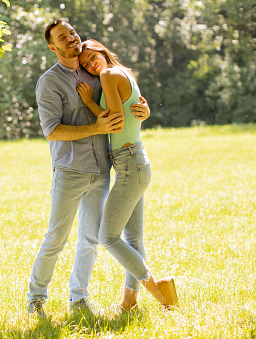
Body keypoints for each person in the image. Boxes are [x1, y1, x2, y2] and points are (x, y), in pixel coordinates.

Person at [27, 19, 151, 317]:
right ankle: (36, 298)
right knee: (56, 237)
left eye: (72, 33)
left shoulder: (94, 71)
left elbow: (122, 105)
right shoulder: (49, 82)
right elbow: (52, 131)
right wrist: (95, 127)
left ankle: (79, 299)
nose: (70, 39)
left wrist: (144, 110)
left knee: (91, 240)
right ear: (52, 46)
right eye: (62, 37)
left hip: (102, 170)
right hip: (70, 169)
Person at [76, 39, 178, 311]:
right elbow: (134, 113)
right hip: (135, 162)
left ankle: (158, 290)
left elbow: (116, 121)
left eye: (92, 56)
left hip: (130, 164)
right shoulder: (125, 73)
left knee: (107, 237)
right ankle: (129, 300)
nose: (90, 64)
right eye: (85, 64)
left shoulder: (109, 74)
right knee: (133, 240)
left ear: (101, 50)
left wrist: (88, 102)